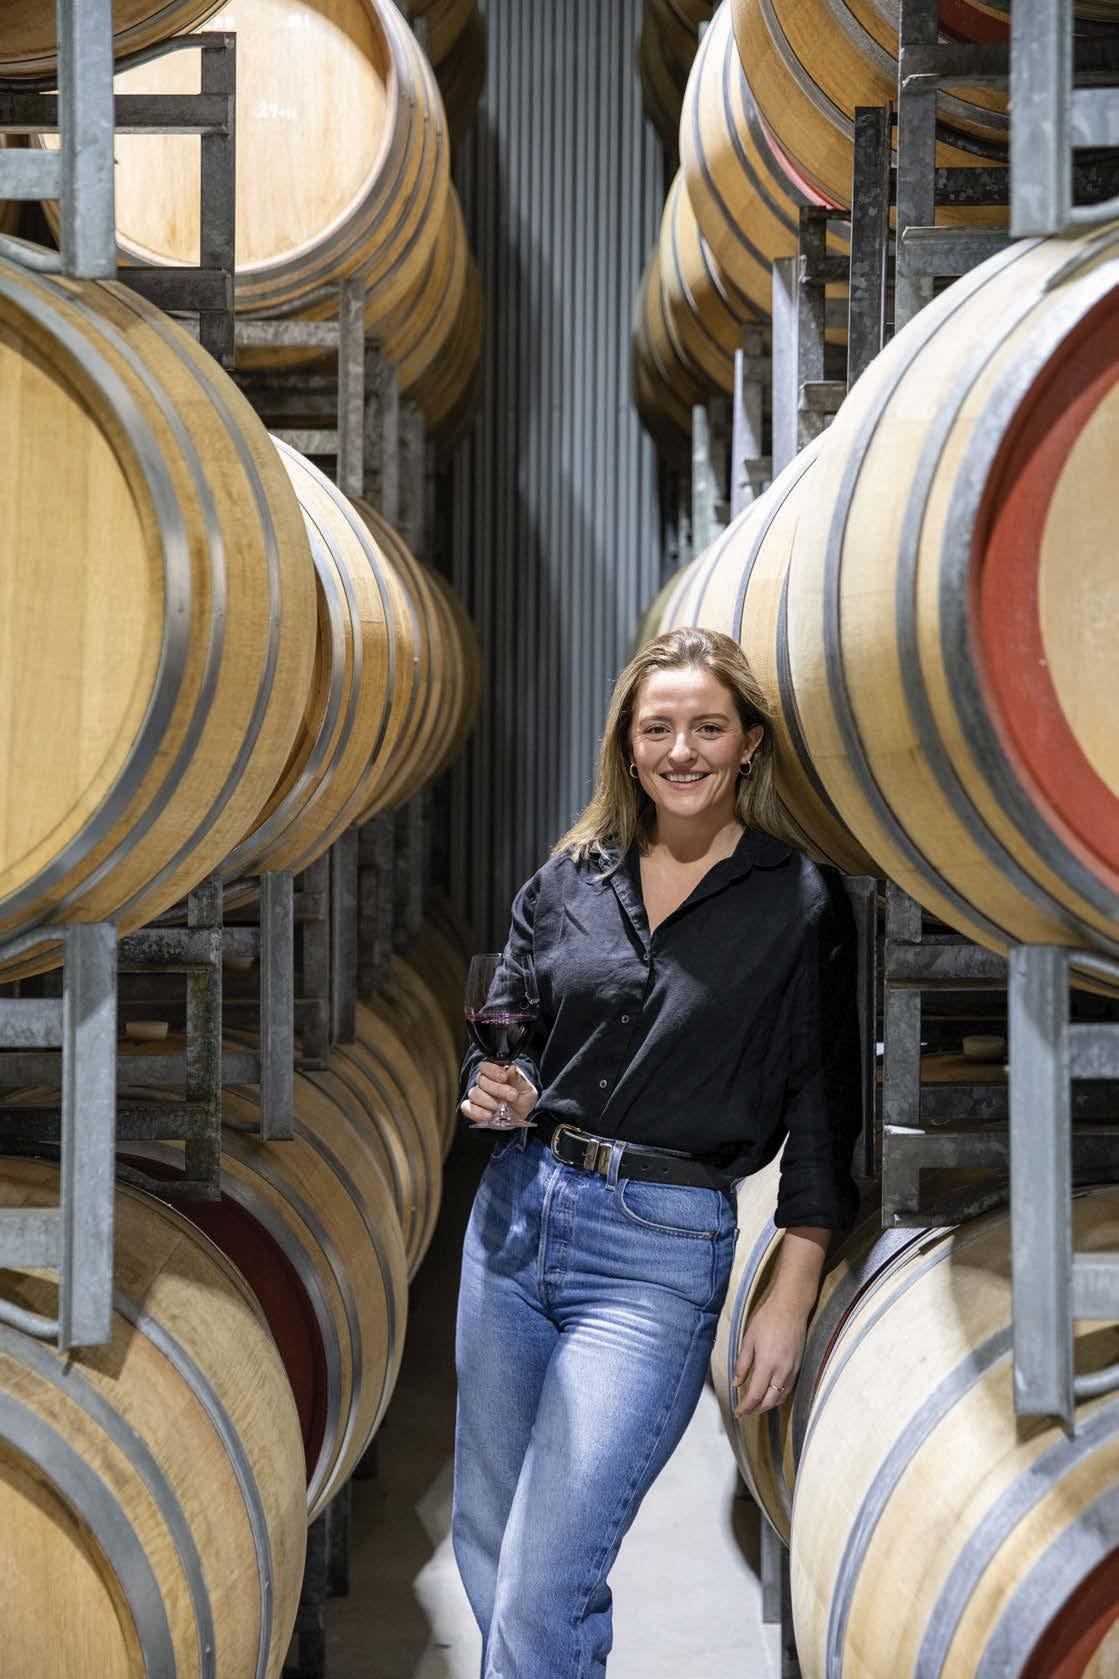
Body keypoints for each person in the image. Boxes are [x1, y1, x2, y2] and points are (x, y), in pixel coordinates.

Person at [453, 626, 862, 1679]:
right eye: (658, 728)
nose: (682, 750)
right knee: (489, 1544)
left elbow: (823, 1106)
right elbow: (509, 1032)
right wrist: (494, 1084)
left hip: (656, 1250)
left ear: (750, 742)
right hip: (516, 1215)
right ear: (627, 747)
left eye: (708, 728)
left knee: (546, 1579)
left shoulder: (796, 899)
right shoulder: (568, 879)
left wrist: (791, 1287)